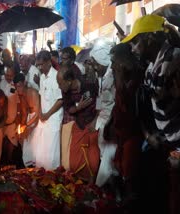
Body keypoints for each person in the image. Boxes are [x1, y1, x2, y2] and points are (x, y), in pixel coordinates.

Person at [121, 14, 180, 214]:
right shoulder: (149, 68)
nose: (133, 48)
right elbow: (151, 104)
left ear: (150, 39)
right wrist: (152, 135)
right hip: (167, 144)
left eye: (136, 42)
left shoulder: (175, 58)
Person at [107, 43, 144, 209]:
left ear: (123, 60)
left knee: (129, 174)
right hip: (122, 131)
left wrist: (120, 78)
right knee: (121, 170)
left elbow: (128, 107)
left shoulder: (136, 77)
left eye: (114, 61)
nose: (112, 66)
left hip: (134, 132)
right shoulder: (122, 75)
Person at [57, 64, 99, 182]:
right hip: (79, 124)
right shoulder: (66, 92)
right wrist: (78, 107)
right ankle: (79, 186)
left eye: (60, 83)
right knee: (74, 161)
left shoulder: (89, 85)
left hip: (93, 125)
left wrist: (95, 122)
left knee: (93, 160)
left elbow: (101, 107)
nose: (59, 86)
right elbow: (69, 109)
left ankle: (93, 188)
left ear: (69, 81)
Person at [88, 38, 117, 187]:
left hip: (112, 125)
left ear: (103, 61)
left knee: (108, 161)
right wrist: (95, 121)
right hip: (102, 123)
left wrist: (110, 125)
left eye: (95, 63)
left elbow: (118, 104)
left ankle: (100, 191)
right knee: (103, 157)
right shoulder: (101, 77)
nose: (93, 66)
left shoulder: (115, 75)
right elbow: (100, 101)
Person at [35, 51, 63, 170]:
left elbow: (60, 100)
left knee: (52, 155)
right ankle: (41, 177)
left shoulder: (57, 76)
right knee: (41, 151)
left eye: (41, 64)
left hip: (53, 119)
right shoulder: (42, 77)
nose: (40, 67)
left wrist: (47, 114)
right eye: (38, 65)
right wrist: (40, 112)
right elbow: (41, 95)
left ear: (48, 62)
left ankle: (52, 179)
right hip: (44, 118)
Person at [13, 73, 40, 167]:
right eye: (16, 87)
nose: (18, 89)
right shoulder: (21, 96)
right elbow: (24, 114)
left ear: (24, 83)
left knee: (36, 145)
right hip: (30, 119)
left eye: (19, 86)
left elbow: (38, 114)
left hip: (38, 119)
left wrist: (27, 126)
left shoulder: (33, 92)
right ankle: (29, 166)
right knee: (23, 140)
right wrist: (21, 128)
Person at [0, 65, 19, 163]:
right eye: (6, 75)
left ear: (14, 75)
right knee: (2, 142)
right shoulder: (1, 82)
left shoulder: (16, 86)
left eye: (10, 76)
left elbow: (20, 103)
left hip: (12, 119)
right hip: (1, 120)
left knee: (11, 142)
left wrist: (18, 118)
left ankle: (10, 160)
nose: (8, 77)